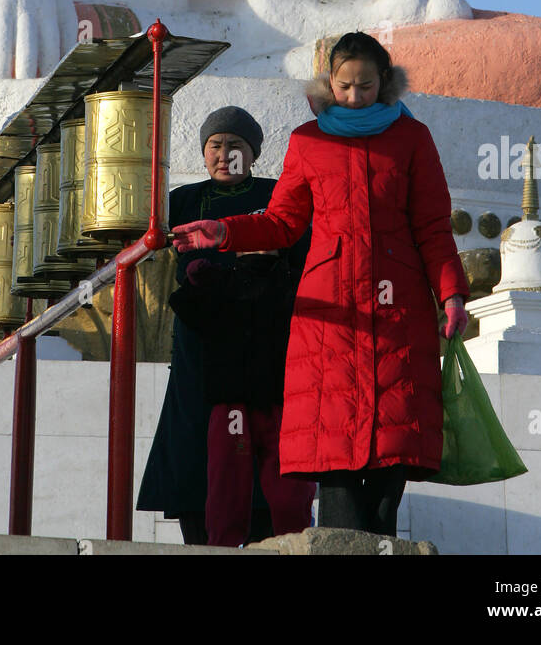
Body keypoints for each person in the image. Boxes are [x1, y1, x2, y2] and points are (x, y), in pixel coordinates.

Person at [173, 31, 470, 537]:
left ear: (386, 83)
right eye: (346, 86)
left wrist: (452, 294)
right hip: (329, 317)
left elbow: (433, 228)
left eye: (367, 86)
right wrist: (226, 231)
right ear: (329, 83)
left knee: (389, 468)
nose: (356, 97)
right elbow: (282, 223)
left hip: (398, 318)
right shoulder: (307, 141)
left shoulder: (411, 140)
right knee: (333, 459)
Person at [136, 105, 309, 545]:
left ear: (252, 153)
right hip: (201, 350)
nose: (224, 154)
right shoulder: (183, 201)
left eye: (235, 145)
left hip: (267, 347)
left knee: (266, 455)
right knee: (197, 455)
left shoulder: (278, 196)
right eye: (216, 145)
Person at [170, 247, 316, 547]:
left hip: (269, 401)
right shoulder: (284, 279)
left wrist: (197, 281)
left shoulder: (288, 279)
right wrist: (198, 282)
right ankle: (288, 545)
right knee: (235, 488)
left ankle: (289, 544)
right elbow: (184, 305)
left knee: (276, 491)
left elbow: (184, 305)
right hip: (255, 401)